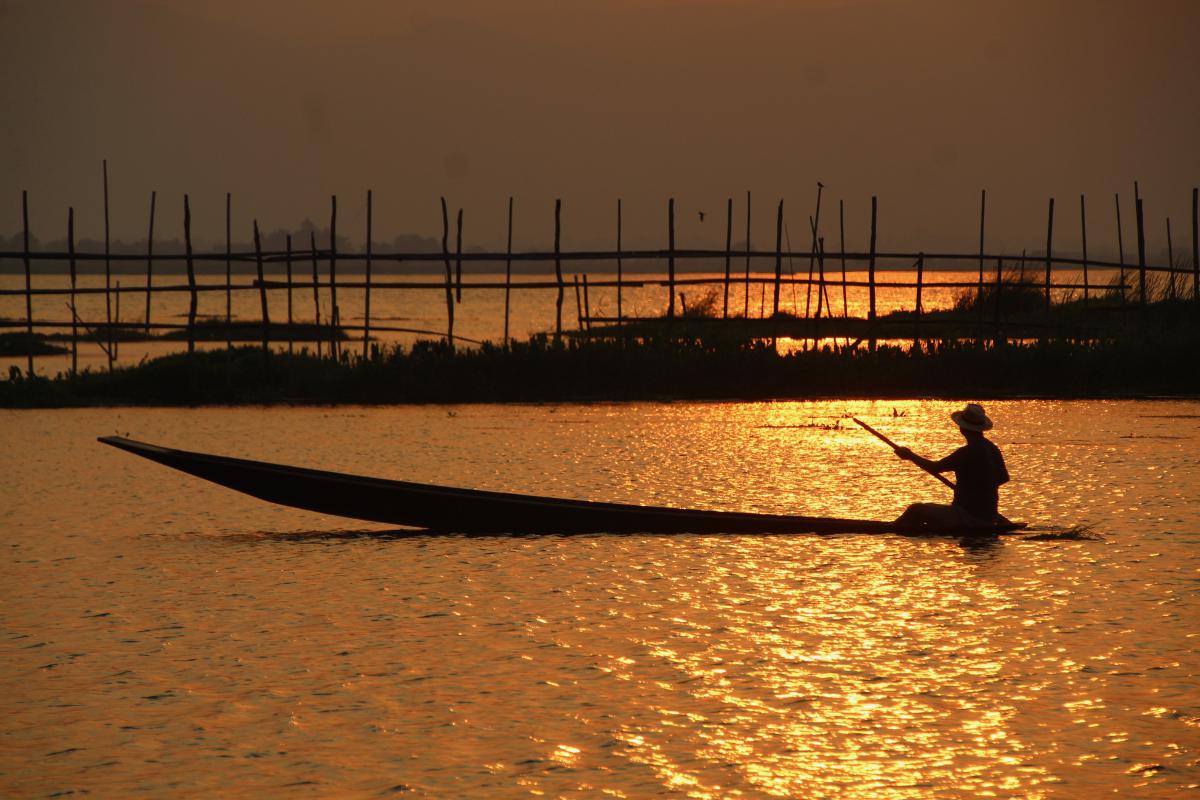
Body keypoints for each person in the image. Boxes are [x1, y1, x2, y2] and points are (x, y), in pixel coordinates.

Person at [893, 403, 1010, 529]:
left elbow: (935, 468)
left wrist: (910, 455)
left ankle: (893, 529)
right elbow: (1003, 478)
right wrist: (975, 491)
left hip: (968, 515)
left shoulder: (968, 452)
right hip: (988, 514)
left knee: (915, 509)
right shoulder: (992, 448)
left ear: (962, 428)